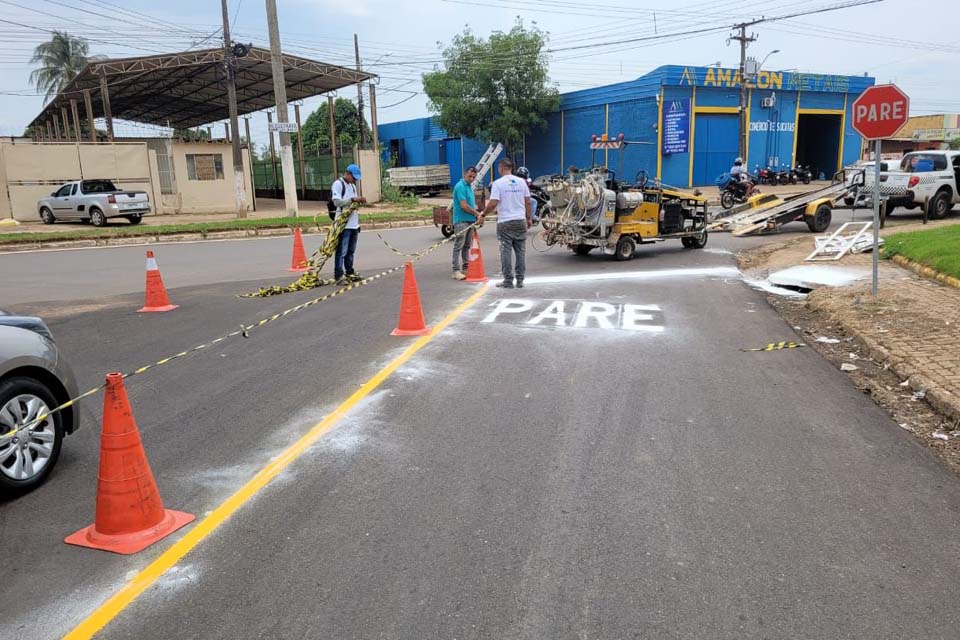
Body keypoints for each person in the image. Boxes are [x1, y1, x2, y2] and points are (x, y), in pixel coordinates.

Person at [483, 158, 531, 289]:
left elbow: (493, 203)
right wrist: (529, 218)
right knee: (520, 252)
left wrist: (483, 214)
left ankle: (508, 280)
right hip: (520, 221)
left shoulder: (498, 184)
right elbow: (527, 201)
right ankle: (520, 280)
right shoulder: (522, 182)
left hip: (505, 222)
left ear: (501, 168)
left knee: (506, 252)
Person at [331, 164, 367, 285]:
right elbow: (337, 202)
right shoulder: (338, 184)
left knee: (351, 251)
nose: (356, 180)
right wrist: (353, 200)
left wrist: (359, 201)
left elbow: (353, 203)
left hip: (354, 225)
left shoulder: (352, 185)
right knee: (342, 251)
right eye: (354, 177)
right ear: (347, 174)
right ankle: (339, 275)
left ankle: (349, 272)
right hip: (343, 225)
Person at [450, 166, 480, 280]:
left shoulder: (469, 187)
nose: (472, 179)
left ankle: (466, 267)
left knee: (467, 246)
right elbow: (463, 206)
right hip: (461, 220)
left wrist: (475, 213)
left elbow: (470, 204)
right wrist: (477, 213)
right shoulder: (460, 186)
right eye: (470, 176)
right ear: (464, 175)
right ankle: (455, 270)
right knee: (458, 245)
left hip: (470, 220)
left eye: (474, 177)